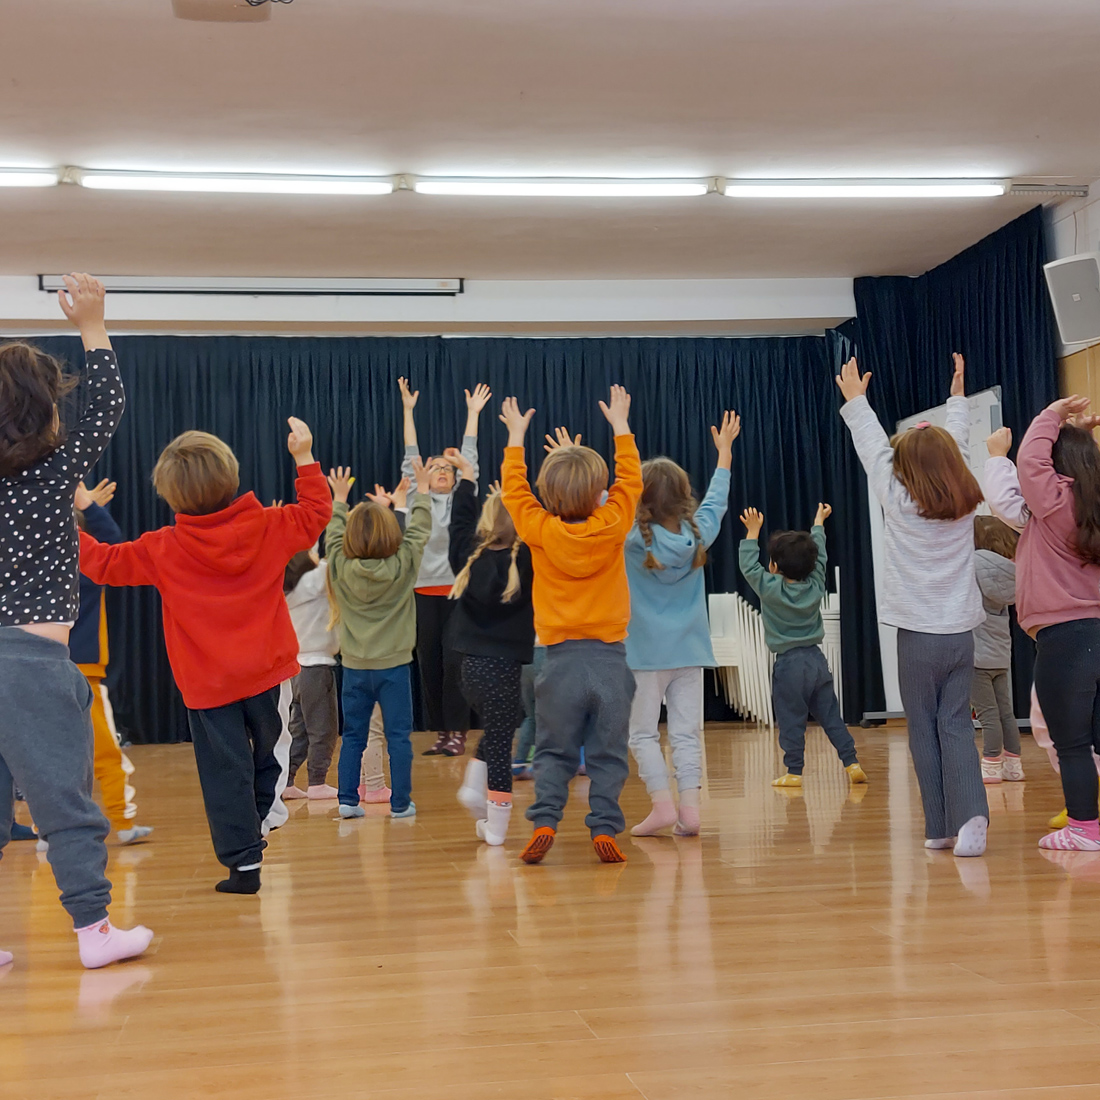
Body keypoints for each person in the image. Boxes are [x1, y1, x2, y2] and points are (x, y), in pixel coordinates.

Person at [79, 418, 332, 893]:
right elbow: (317, 511)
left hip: (207, 687)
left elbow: (102, 563)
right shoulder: (269, 527)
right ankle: (259, 824)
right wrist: (304, 457)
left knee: (224, 772)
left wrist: (54, 524)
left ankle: (243, 864)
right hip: (267, 673)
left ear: (171, 497)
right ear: (232, 478)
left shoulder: (162, 549)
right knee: (270, 759)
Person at [0, 273, 153, 968]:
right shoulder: (55, 469)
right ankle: (94, 933)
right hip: (31, 662)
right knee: (65, 801)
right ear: (45, 414)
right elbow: (109, 402)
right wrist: (93, 321)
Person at [837, 354, 988, 857]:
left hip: (917, 638)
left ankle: (940, 827)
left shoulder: (897, 500)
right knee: (956, 726)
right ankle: (971, 819)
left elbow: (873, 448)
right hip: (961, 635)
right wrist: (958, 400)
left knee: (923, 727)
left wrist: (856, 399)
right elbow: (958, 445)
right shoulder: (964, 498)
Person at [500, 386, 643, 865]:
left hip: (558, 661)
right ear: (599, 491)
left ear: (548, 492)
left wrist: (516, 438)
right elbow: (632, 482)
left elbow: (514, 490)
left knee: (553, 752)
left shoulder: (539, 529)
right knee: (608, 753)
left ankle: (544, 820)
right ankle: (604, 827)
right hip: (609, 659)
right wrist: (621, 427)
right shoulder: (614, 523)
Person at [625, 410, 739, 837]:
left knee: (642, 735)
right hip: (690, 653)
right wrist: (724, 453)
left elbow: (599, 503)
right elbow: (717, 500)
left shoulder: (632, 537)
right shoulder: (698, 532)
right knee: (688, 733)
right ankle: (690, 811)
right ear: (683, 496)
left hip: (643, 656)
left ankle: (662, 806)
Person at [1016, 395, 1100, 851]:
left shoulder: (1052, 503)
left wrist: (1052, 414)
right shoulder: (1092, 505)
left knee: (1072, 743)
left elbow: (1030, 458)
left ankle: (1085, 829)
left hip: (1066, 639)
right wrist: (1082, 436)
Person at [327, 461, 432, 820]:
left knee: (353, 735)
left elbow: (332, 536)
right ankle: (400, 805)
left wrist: (339, 500)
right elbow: (418, 532)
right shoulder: (404, 564)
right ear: (392, 535)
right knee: (398, 737)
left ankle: (346, 800)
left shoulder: (339, 564)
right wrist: (422, 492)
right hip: (394, 666)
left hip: (355, 667)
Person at [739, 502, 868, 791]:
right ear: (810, 567)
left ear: (773, 566)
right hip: (816, 661)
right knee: (831, 715)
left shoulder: (769, 588)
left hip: (788, 665)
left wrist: (752, 532)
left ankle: (794, 772)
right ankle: (852, 763)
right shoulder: (816, 585)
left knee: (791, 720)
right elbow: (820, 554)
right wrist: (818, 523)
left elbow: (748, 565)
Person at [446, 448, 535, 846]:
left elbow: (459, 520)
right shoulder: (531, 558)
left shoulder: (467, 555)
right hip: (503, 667)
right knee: (501, 741)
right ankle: (497, 825)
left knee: (499, 729)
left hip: (469, 668)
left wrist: (467, 478)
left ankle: (473, 786)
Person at [399, 377, 490, 757]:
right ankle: (441, 731)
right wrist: (408, 410)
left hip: (456, 592)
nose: (439, 470)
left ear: (454, 478)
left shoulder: (460, 502)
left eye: (445, 468)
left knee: (455, 665)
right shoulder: (417, 499)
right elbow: (410, 457)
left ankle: (457, 732)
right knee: (429, 667)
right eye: (433, 466)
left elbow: (469, 458)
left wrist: (473, 414)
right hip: (422, 594)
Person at [72, 478, 154, 845]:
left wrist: (87, 507)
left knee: (54, 754)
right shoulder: (81, 555)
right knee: (106, 752)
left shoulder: (31, 557)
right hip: (84, 672)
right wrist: (89, 506)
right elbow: (114, 544)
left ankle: (49, 831)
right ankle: (121, 823)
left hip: (44, 667)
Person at [282, 550, 340, 800]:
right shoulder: (315, 579)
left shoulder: (287, 590)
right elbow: (336, 560)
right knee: (323, 728)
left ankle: (287, 779)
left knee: (300, 729)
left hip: (296, 668)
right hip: (317, 667)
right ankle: (317, 782)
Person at [971, 516, 1023, 784]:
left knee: (987, 713)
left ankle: (991, 764)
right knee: (1005, 711)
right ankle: (1014, 765)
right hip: (1000, 655)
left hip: (976, 655)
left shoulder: (972, 565)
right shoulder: (1012, 571)